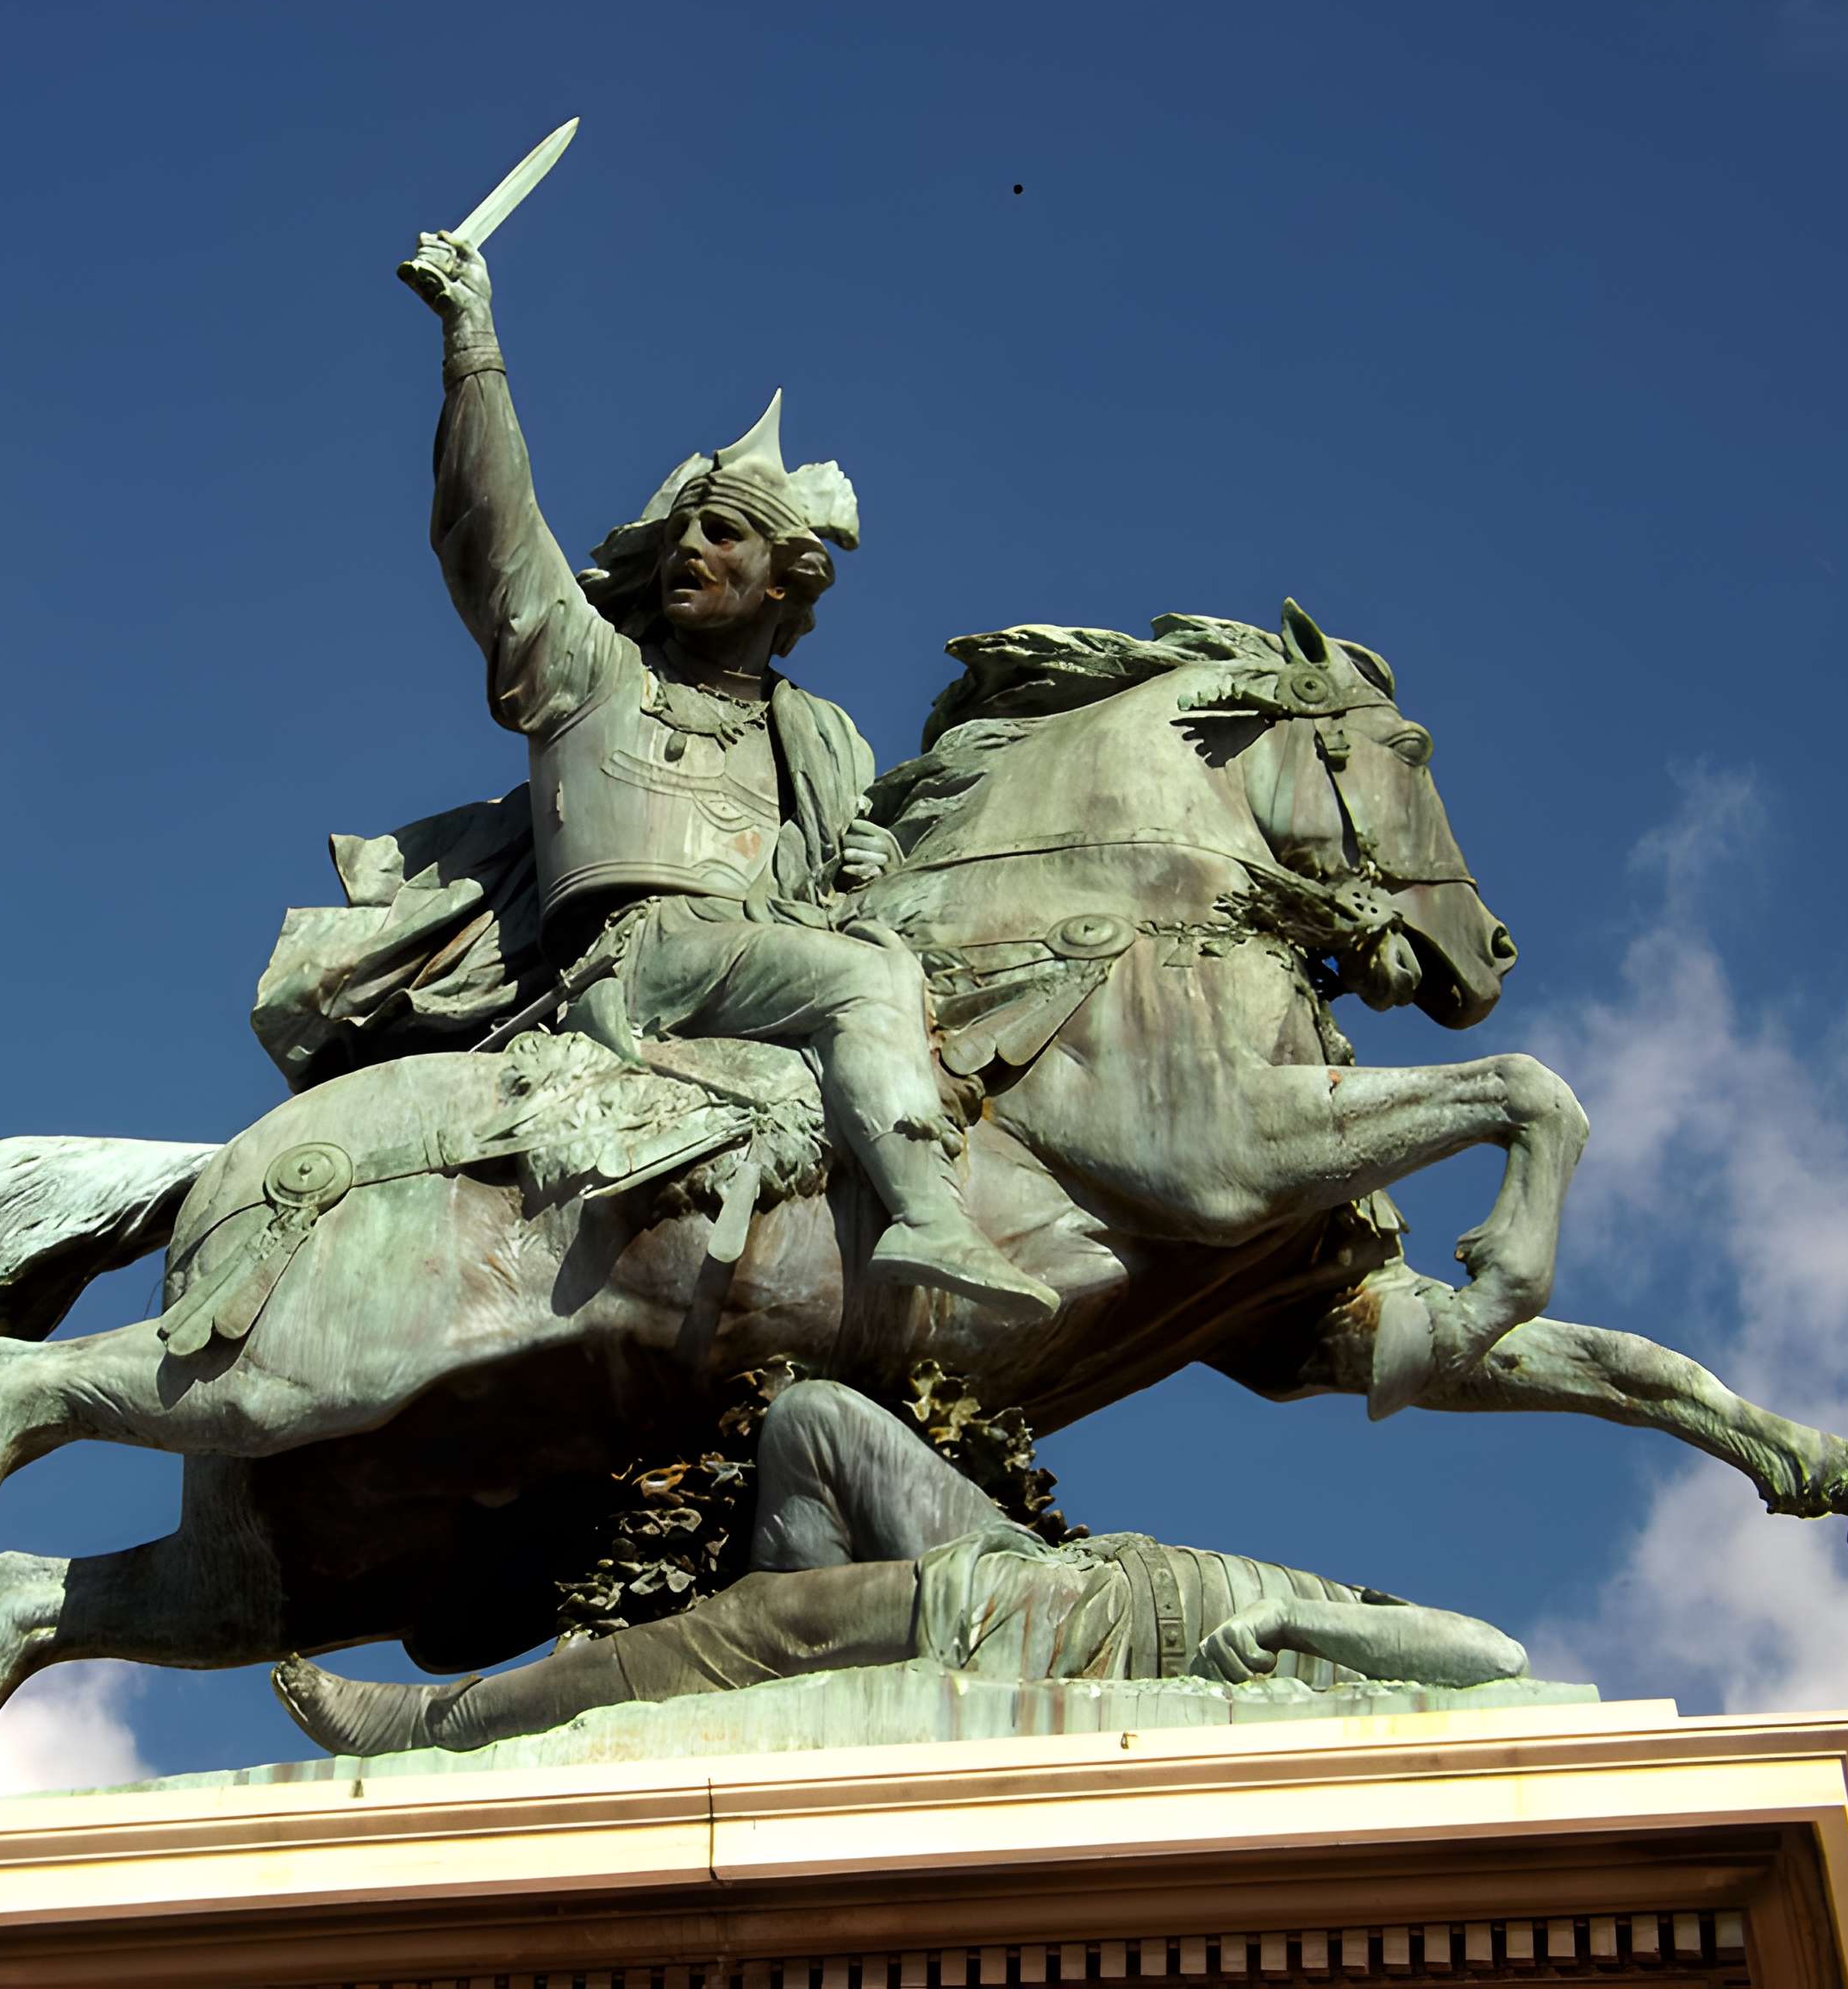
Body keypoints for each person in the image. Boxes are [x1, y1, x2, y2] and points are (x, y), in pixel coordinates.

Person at [389, 229, 1055, 1311]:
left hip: (764, 959)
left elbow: (834, 896)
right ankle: (929, 1216)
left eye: (726, 535)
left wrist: (859, 869)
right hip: (633, 961)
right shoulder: (595, 674)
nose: (693, 546)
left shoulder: (823, 738)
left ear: (785, 582)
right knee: (863, 977)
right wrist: (474, 345)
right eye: (685, 531)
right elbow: (492, 534)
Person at [274, 1381, 1528, 1755]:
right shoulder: (1355, 1615)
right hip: (1052, 1563)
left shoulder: (1365, 1672)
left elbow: (1496, 1660)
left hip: (1044, 1630)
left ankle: (435, 1722)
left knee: (731, 1634)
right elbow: (1472, 1640)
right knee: (812, 1420)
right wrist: (1312, 1621)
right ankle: (768, 1654)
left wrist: (1297, 1641)